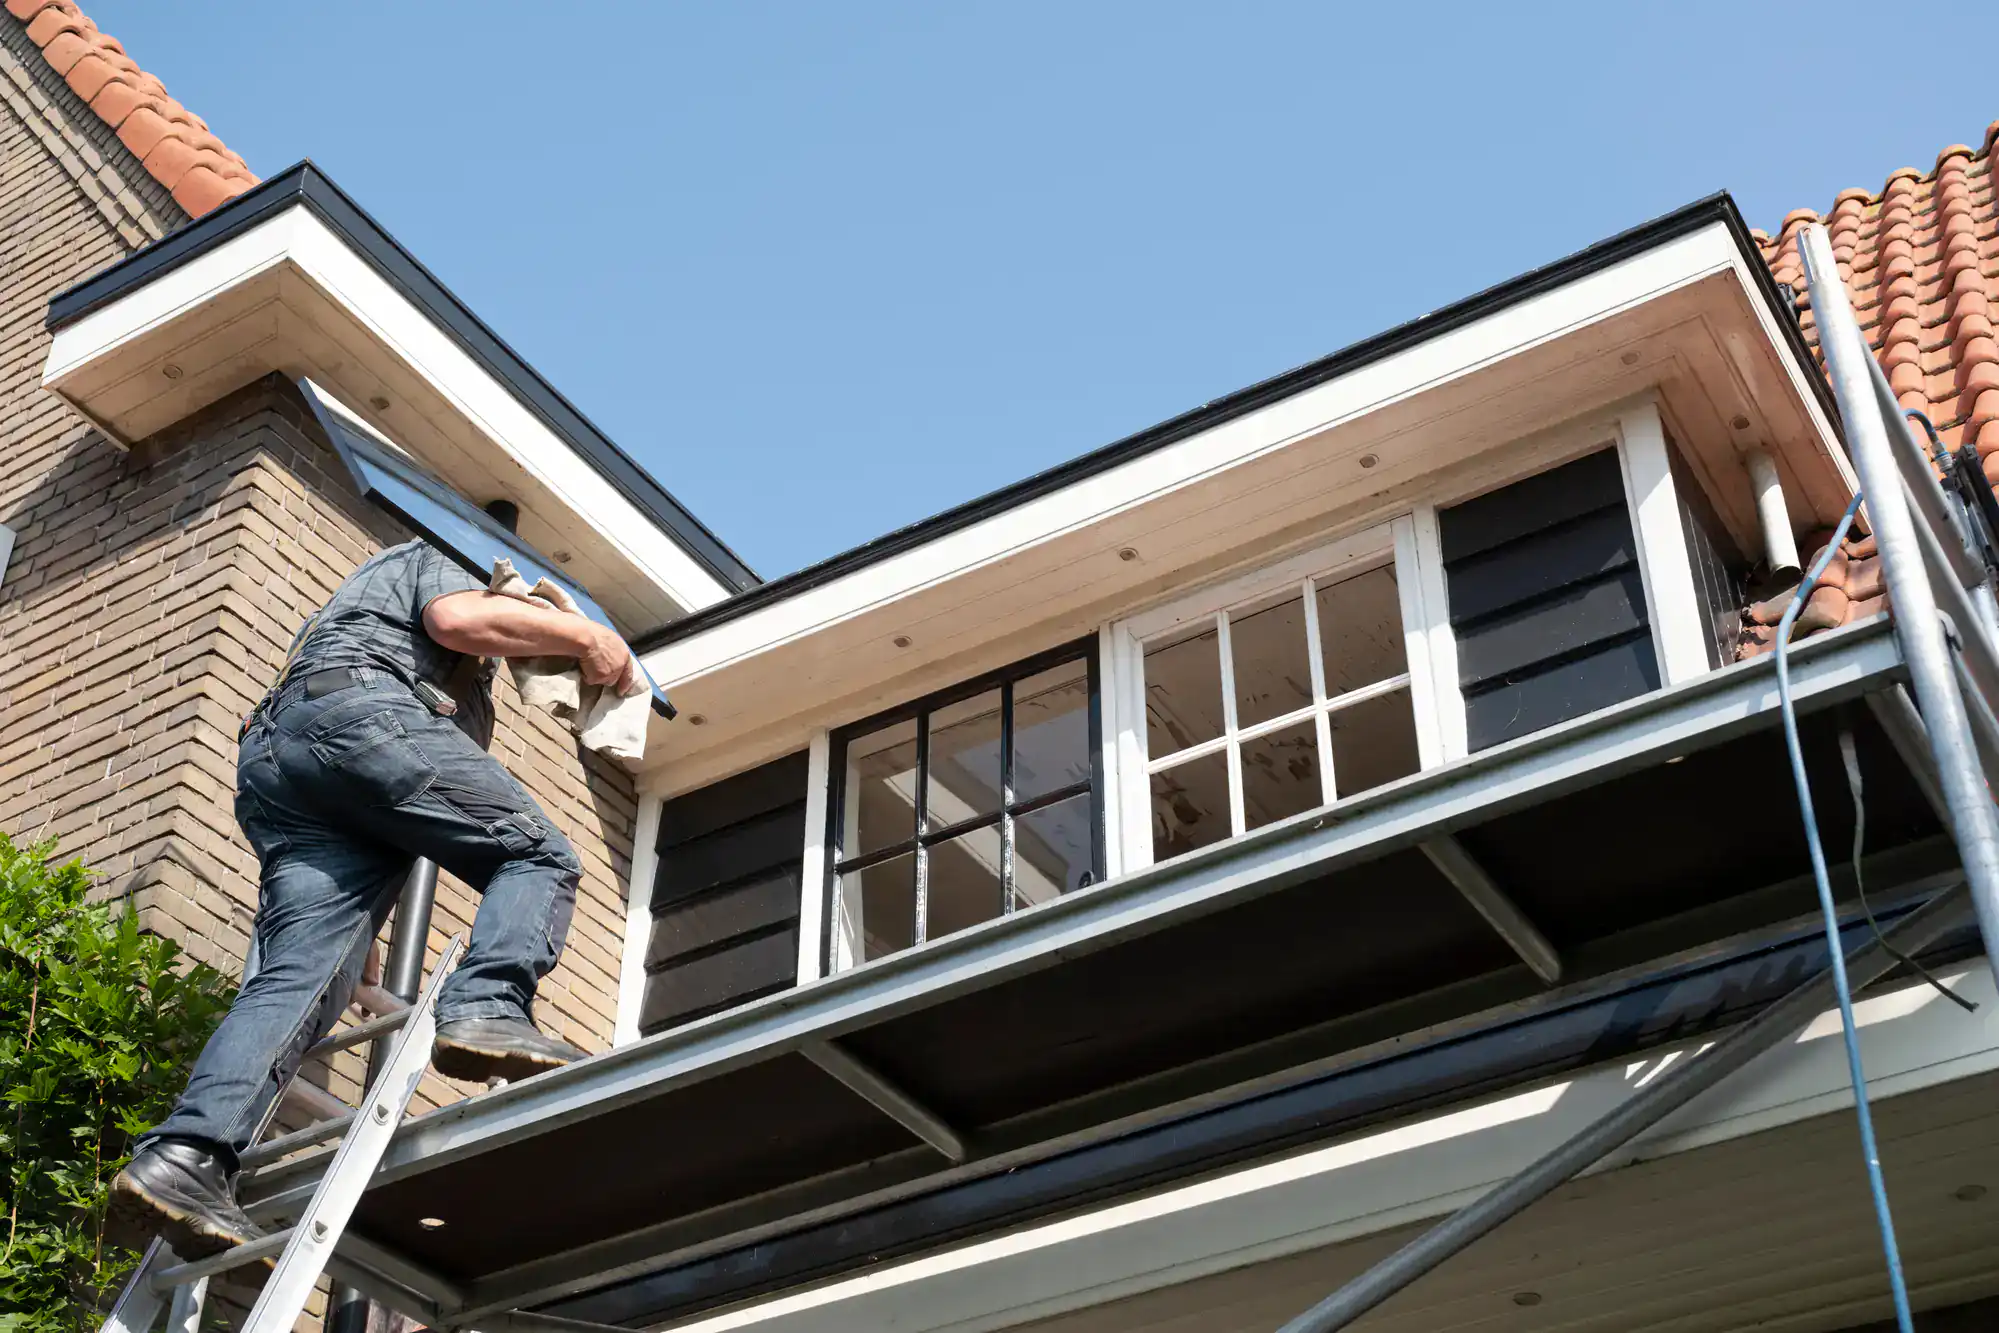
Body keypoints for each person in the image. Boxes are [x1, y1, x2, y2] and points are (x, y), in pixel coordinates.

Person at [108, 536, 640, 1259]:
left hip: (287, 767)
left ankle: (189, 1157)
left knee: (305, 979)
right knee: (535, 852)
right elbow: (456, 621)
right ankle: (486, 1005)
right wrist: (588, 635)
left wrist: (362, 939)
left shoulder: (382, 637)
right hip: (353, 717)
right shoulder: (443, 559)